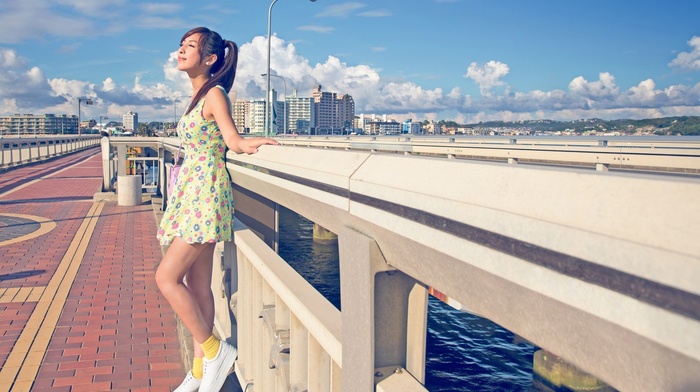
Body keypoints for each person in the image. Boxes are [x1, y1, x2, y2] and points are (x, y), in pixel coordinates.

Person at [156, 27, 278, 392]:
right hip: (192, 191)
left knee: (166, 278)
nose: (180, 51)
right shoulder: (198, 94)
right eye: (180, 45)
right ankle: (200, 373)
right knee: (197, 283)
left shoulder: (214, 94)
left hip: (204, 193)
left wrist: (252, 144)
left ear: (209, 59)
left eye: (189, 47)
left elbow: (233, 140)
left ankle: (215, 350)